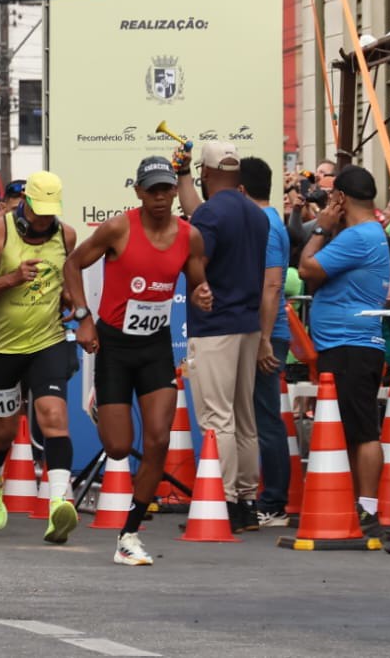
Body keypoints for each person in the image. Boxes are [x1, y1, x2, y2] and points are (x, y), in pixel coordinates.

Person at [65, 156, 211, 565]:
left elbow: (199, 284)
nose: (162, 197)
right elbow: (73, 264)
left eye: (167, 189)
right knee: (117, 446)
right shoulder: (118, 228)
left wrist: (201, 295)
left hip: (155, 347)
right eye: (154, 190)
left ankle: (129, 534)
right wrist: (83, 318)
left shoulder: (190, 236)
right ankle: (102, 401)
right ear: (139, 192)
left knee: (158, 441)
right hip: (114, 344)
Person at [0, 170, 83, 544]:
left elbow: (68, 280)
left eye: (51, 211)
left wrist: (73, 306)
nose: (44, 219)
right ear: (25, 201)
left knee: (54, 416)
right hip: (0, 347)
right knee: (5, 429)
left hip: (46, 341)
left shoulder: (67, 235)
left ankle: (60, 502)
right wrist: (11, 278)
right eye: (39, 210)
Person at [177, 141, 269, 532]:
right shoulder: (256, 213)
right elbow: (203, 214)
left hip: (215, 326)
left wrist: (194, 279)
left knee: (217, 420)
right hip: (248, 324)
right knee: (244, 419)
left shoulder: (212, 215)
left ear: (209, 173)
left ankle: (224, 501)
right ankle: (246, 502)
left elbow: (198, 259)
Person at [299, 165, 390, 535]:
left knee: (363, 430)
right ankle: (360, 504)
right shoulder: (367, 233)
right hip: (349, 343)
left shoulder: (358, 238)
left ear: (340, 198)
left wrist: (321, 226)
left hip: (349, 344)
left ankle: (368, 508)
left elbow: (307, 268)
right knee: (353, 430)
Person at [241, 156, 293, 528]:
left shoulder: (268, 225)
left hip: (268, 334)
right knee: (255, 416)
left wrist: (263, 341)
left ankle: (273, 502)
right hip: (263, 331)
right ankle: (259, 499)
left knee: (266, 417)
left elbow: (272, 286)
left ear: (241, 190)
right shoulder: (265, 221)